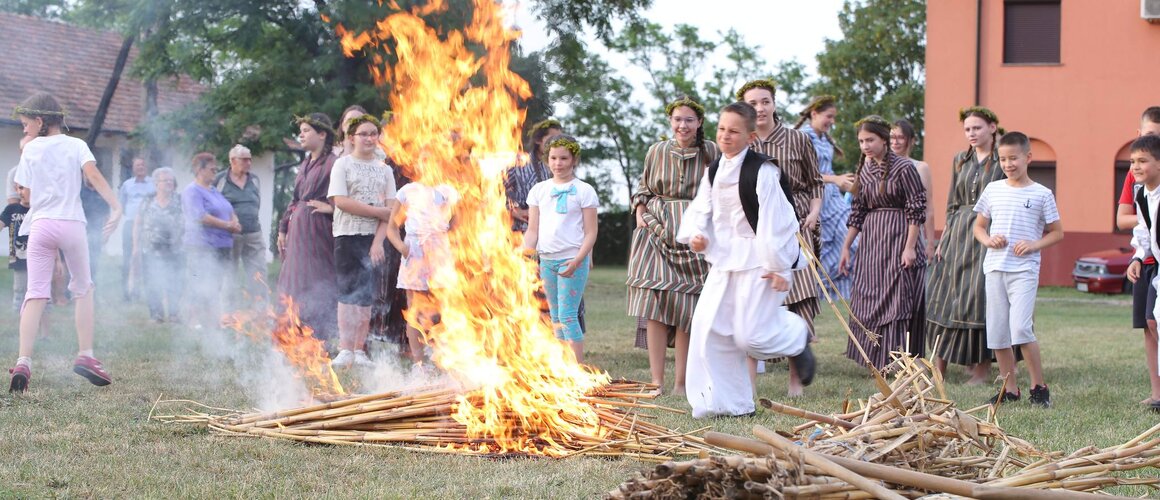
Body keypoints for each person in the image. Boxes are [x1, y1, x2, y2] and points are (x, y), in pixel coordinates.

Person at [678, 102, 815, 418]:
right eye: (721, 129)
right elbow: (703, 208)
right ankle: (732, 404)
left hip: (759, 260)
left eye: (734, 131)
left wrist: (778, 266)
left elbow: (775, 221)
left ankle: (797, 336)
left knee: (749, 335)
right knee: (711, 330)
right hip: (725, 261)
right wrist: (698, 234)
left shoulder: (763, 171)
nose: (725, 136)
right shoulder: (714, 169)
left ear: (750, 137)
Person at [8, 92, 123, 393]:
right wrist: (116, 206)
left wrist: (33, 189)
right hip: (72, 224)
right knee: (83, 288)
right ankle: (86, 355)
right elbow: (93, 175)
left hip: (41, 225)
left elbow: (25, 194)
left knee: (35, 293)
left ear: (40, 121)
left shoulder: (31, 149)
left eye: (26, 123)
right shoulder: (77, 145)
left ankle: (23, 362)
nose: (24, 129)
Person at [626, 97, 717, 396]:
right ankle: (656, 381)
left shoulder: (711, 151)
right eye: (678, 119)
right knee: (655, 307)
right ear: (670, 121)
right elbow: (644, 188)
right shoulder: (656, 150)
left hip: (694, 234)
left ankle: (681, 383)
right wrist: (640, 213)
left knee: (687, 310)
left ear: (699, 122)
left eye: (689, 120)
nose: (683, 125)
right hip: (655, 229)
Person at [974, 131, 1063, 408]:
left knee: (1021, 328)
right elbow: (979, 227)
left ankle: (1039, 387)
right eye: (1003, 159)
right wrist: (988, 240)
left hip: (1024, 270)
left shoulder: (1042, 194)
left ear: (1028, 157)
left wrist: (1034, 244)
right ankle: (1009, 389)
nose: (1008, 164)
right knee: (998, 333)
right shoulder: (993, 189)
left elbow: (1057, 232)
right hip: (995, 268)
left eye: (1013, 158)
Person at [925, 107, 1008, 382]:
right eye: (967, 129)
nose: (972, 133)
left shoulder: (1002, 160)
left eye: (977, 128)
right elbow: (952, 203)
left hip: (988, 232)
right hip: (958, 233)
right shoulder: (960, 159)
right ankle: (939, 365)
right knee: (947, 294)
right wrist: (944, 239)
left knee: (979, 296)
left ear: (992, 128)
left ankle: (982, 367)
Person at [738, 80, 823, 344]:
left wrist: (814, 213)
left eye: (766, 102)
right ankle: (766, 351)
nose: (760, 108)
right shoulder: (742, 142)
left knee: (801, 287)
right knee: (763, 291)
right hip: (756, 224)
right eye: (753, 103)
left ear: (774, 104)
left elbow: (815, 182)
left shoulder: (798, 139)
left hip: (796, 222)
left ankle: (800, 356)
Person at [839, 115, 927, 371]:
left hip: (899, 238)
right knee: (868, 296)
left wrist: (910, 247)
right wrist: (846, 246)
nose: (865, 146)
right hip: (872, 244)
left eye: (870, 140)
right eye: (861, 141)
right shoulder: (864, 170)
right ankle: (875, 360)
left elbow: (916, 209)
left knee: (897, 298)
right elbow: (858, 211)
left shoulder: (904, 168)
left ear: (884, 140)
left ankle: (897, 361)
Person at [328, 114, 396, 368]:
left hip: (373, 238)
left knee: (367, 294)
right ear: (351, 138)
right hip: (347, 234)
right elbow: (341, 201)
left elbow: (390, 210)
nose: (369, 138)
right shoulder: (343, 165)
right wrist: (377, 211)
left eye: (373, 134)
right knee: (347, 292)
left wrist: (378, 243)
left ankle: (359, 349)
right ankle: (345, 348)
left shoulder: (385, 170)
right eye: (363, 134)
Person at [524, 134, 598, 363]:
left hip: (572, 260)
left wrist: (577, 261)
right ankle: (563, 367)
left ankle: (577, 369)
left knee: (568, 315)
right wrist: (524, 254)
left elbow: (591, 232)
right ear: (547, 159)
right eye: (554, 158)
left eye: (564, 158)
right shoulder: (539, 190)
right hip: (547, 261)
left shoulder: (584, 190)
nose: (558, 163)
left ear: (574, 159)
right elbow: (533, 230)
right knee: (555, 316)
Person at [277, 113, 340, 341]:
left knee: (317, 278)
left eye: (306, 131)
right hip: (298, 231)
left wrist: (331, 209)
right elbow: (295, 200)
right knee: (294, 278)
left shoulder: (334, 163)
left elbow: (346, 198)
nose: (301, 135)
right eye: (300, 131)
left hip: (320, 231)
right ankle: (292, 333)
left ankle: (319, 336)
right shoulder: (304, 164)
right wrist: (283, 229)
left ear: (322, 134)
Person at [1115, 107, 1160, 407]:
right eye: (1133, 161)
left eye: (1142, 160)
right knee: (1151, 322)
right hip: (1151, 263)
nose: (1135, 166)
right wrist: (1138, 256)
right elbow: (1140, 228)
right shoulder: (1142, 190)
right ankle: (1158, 394)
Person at [384, 181, 458, 363]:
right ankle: (419, 362)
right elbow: (392, 227)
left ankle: (441, 356)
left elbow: (458, 227)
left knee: (443, 306)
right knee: (414, 307)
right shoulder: (408, 191)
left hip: (439, 251)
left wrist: (454, 251)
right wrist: (403, 248)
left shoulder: (448, 190)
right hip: (415, 251)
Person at [795, 95, 855, 299]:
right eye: (829, 116)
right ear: (814, 114)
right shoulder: (803, 137)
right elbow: (802, 174)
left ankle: (842, 292)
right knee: (823, 250)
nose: (832, 121)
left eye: (833, 117)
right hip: (816, 200)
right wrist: (835, 179)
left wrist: (845, 182)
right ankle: (816, 291)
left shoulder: (825, 140)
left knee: (853, 240)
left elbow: (827, 171)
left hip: (834, 200)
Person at [182, 152, 241, 329]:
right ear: (199, 170)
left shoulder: (214, 191)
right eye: (211, 169)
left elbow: (228, 209)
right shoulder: (192, 191)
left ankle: (212, 322)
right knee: (200, 284)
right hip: (202, 246)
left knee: (215, 285)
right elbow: (200, 216)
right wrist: (227, 225)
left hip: (222, 245)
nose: (215, 172)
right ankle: (194, 322)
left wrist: (235, 221)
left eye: (216, 169)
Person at [215, 144, 266, 304]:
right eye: (244, 160)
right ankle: (227, 313)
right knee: (229, 274)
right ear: (232, 160)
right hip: (229, 235)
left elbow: (257, 203)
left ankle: (261, 311)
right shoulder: (220, 180)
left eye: (250, 159)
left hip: (254, 233)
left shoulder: (254, 179)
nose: (248, 163)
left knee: (259, 273)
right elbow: (214, 205)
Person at [133, 167, 184, 323]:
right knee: (152, 282)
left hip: (174, 249)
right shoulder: (148, 200)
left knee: (174, 281)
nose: (169, 183)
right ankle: (156, 315)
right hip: (150, 249)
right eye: (165, 180)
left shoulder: (180, 200)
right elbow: (138, 223)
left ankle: (174, 314)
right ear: (156, 183)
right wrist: (135, 246)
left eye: (171, 180)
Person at [891, 119, 935, 257]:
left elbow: (928, 207)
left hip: (910, 231)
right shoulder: (878, 167)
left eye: (900, 137)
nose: (895, 142)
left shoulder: (920, 167)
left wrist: (930, 243)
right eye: (892, 137)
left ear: (911, 141)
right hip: (884, 231)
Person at [118, 157, 155, 301]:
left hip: (149, 226)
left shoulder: (153, 184)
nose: (141, 167)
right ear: (133, 168)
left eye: (143, 164)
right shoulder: (127, 185)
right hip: (130, 224)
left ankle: (145, 293)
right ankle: (127, 293)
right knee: (128, 258)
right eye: (138, 165)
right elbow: (121, 205)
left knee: (147, 259)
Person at [1, 183, 30, 311]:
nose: (22, 192)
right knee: (19, 289)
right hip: (18, 257)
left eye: (26, 188)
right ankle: (17, 315)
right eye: (20, 188)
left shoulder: (38, 210)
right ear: (16, 189)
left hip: (37, 258)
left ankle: (42, 316)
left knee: (40, 289)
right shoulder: (12, 209)